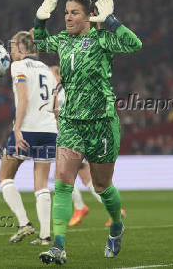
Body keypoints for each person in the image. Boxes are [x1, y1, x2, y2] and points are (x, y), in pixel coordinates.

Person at [34, 0, 142, 264]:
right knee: (62, 184)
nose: (68, 17)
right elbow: (40, 41)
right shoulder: (62, 40)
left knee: (103, 186)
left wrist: (112, 21)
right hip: (71, 122)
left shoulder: (102, 39)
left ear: (89, 17)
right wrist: (40, 19)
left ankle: (116, 225)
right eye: (66, 12)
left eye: (74, 13)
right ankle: (58, 246)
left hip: (102, 123)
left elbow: (134, 43)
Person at [0, 30, 58, 245]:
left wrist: (17, 128)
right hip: (50, 130)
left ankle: (24, 223)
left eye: (13, 48)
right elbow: (56, 104)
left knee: (4, 177)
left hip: (28, 129)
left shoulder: (18, 66)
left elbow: (22, 98)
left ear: (22, 49)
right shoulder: (49, 70)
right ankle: (45, 235)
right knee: (41, 184)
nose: (10, 53)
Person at [50, 65, 103, 227]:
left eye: (51, 76)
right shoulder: (67, 91)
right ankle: (114, 208)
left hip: (70, 140)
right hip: (78, 139)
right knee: (86, 177)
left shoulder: (62, 93)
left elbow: (58, 114)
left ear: (58, 77)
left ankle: (80, 207)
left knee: (60, 175)